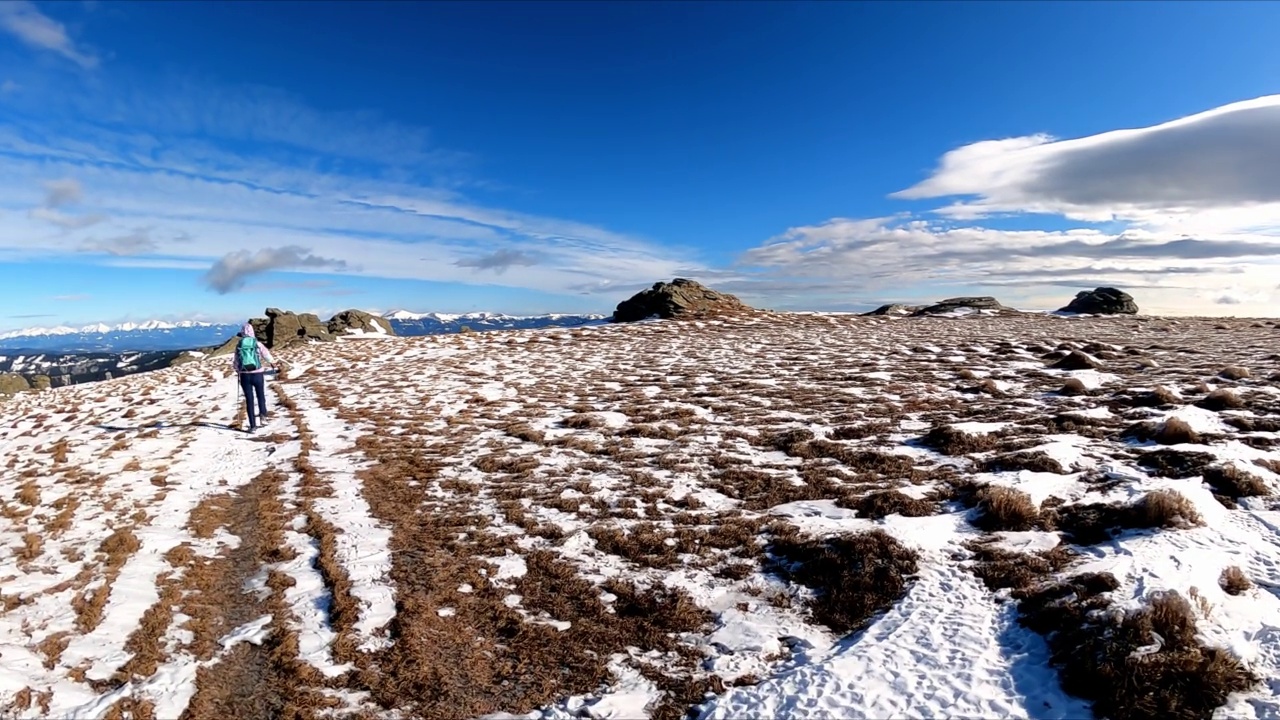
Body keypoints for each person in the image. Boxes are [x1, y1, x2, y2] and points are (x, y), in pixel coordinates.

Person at [232, 323, 276, 432]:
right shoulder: (257, 344)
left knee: (249, 400)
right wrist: (272, 363)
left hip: (244, 375)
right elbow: (266, 355)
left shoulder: (239, 345)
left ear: (242, 332)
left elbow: (236, 361)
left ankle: (252, 426)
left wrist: (238, 370)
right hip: (257, 374)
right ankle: (263, 416)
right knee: (260, 395)